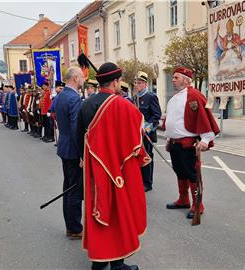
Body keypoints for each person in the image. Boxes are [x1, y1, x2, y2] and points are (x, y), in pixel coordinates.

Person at [77, 62, 150, 270]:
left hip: (94, 168)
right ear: (116, 81)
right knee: (118, 214)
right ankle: (117, 265)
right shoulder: (124, 105)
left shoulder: (86, 104)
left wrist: (82, 161)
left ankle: (98, 264)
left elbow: (78, 137)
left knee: (96, 210)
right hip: (118, 169)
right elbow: (136, 143)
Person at [165, 67, 220, 219]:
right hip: (175, 144)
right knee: (180, 172)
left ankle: (198, 204)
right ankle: (183, 199)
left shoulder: (194, 95)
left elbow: (203, 117)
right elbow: (175, 120)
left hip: (188, 144)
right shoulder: (175, 97)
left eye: (176, 77)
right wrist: (169, 139)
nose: (173, 79)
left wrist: (206, 139)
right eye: (173, 77)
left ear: (186, 79)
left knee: (192, 175)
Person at [54, 67, 84, 240]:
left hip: (64, 147)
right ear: (74, 78)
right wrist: (81, 154)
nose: (83, 79)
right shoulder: (74, 99)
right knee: (74, 189)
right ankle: (74, 228)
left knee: (68, 187)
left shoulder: (60, 96)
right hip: (73, 150)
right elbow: (76, 129)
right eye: (81, 76)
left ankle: (70, 226)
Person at [133, 71, 161, 192]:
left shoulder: (151, 97)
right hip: (137, 134)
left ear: (145, 84)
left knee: (147, 157)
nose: (137, 85)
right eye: (135, 83)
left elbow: (156, 116)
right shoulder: (135, 98)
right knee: (138, 157)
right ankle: (139, 180)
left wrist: (147, 128)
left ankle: (147, 183)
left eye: (139, 83)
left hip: (147, 134)